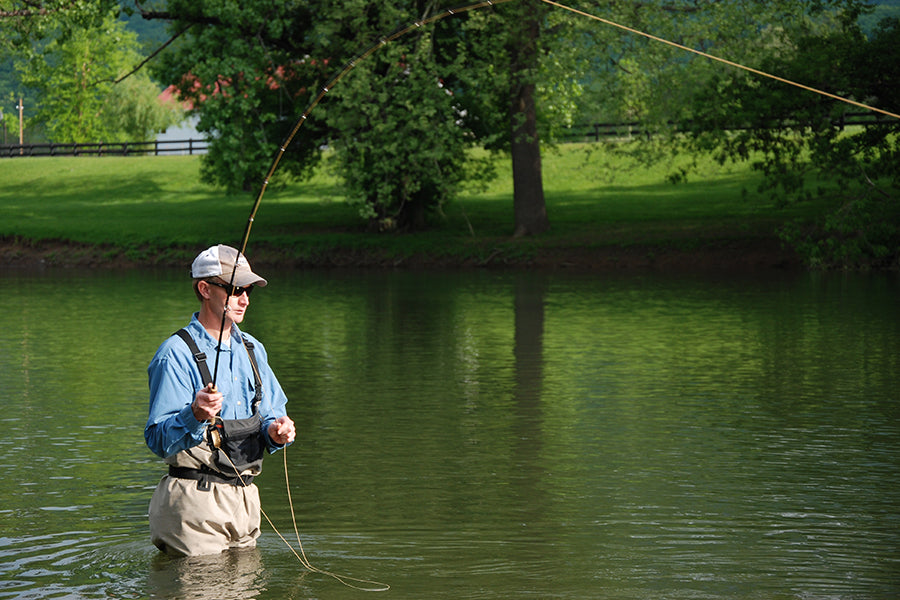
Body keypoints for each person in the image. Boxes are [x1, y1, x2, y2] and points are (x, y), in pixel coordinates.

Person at [145, 244, 296, 556]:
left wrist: (276, 431)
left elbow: (270, 416)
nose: (244, 299)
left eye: (248, 290)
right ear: (204, 289)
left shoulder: (254, 349)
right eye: (235, 289)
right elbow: (158, 440)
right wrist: (194, 415)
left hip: (246, 504)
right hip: (193, 503)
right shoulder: (174, 354)